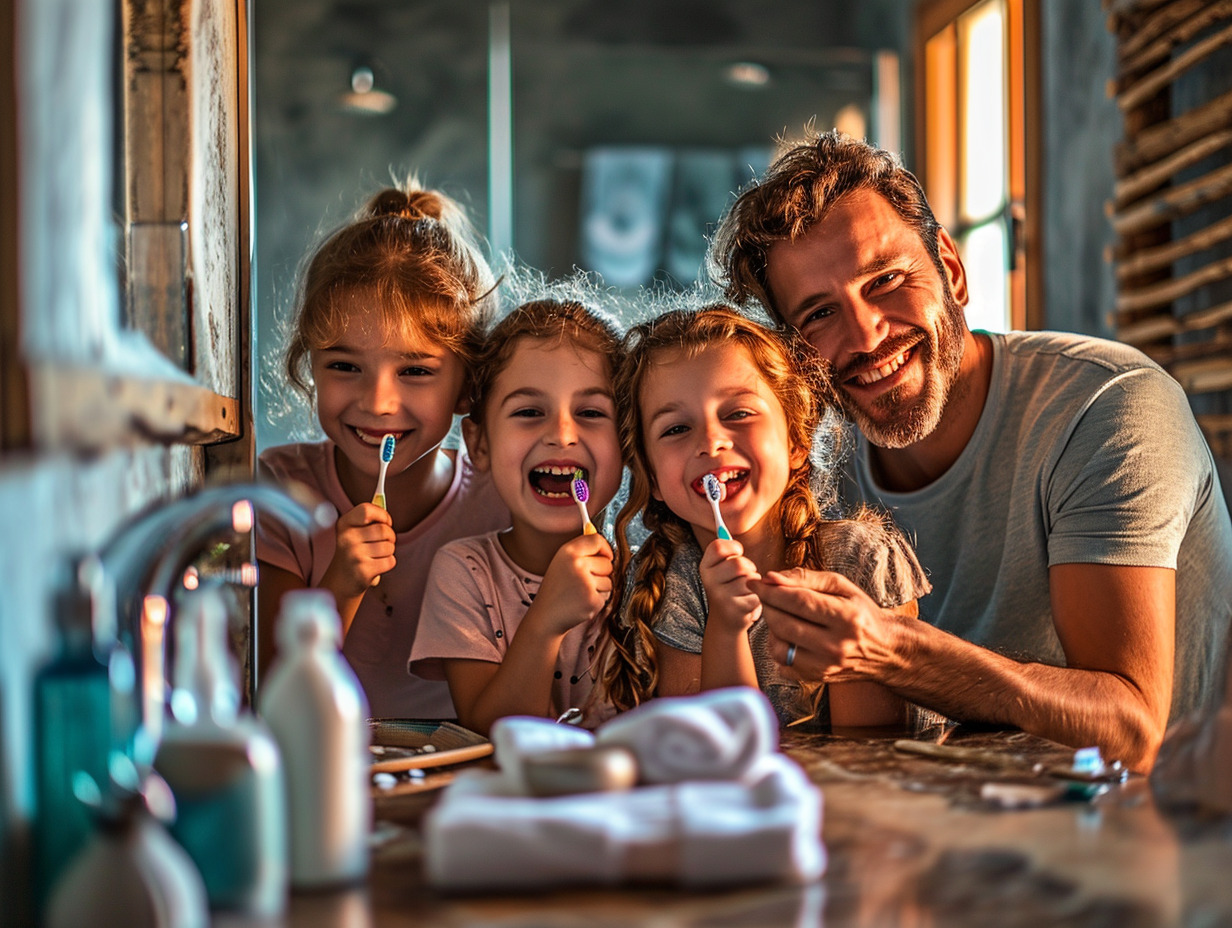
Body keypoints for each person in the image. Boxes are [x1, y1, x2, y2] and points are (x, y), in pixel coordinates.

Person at [710, 129, 1232, 771]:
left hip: (1166, 834)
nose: (866, 335)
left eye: (886, 280)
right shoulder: (813, 470)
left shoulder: (1108, 407)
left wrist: (893, 651)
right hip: (961, 830)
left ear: (951, 272)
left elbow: (1132, 728)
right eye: (819, 314)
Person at [599, 305, 930, 731]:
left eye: (738, 414)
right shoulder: (668, 582)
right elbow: (723, 755)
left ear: (796, 440)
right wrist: (726, 627)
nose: (712, 442)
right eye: (676, 429)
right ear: (651, 477)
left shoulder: (858, 562)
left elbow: (867, 756)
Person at [257, 181, 509, 719]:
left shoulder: (505, 503)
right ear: (310, 366)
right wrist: (340, 586)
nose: (377, 402)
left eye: (415, 371)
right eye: (345, 367)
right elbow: (270, 691)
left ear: (468, 385)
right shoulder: (279, 492)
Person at [410, 300, 625, 735]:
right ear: (480, 444)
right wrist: (546, 621)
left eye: (591, 413)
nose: (562, 434)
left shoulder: (650, 576)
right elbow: (490, 730)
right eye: (529, 412)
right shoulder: (464, 572)